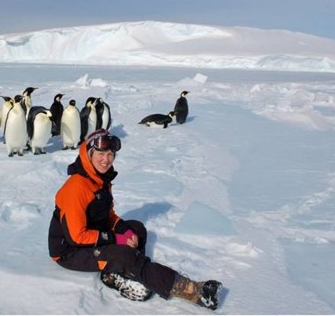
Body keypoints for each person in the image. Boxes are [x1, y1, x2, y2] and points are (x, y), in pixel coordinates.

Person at [48, 128, 222, 309]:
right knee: (125, 254)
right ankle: (196, 292)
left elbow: (107, 216)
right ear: (89, 153)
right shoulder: (76, 186)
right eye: (100, 153)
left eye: (110, 154)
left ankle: (126, 273)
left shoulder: (100, 179)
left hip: (91, 235)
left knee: (137, 229)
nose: (106, 160)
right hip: (70, 252)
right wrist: (117, 239)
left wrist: (124, 229)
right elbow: (76, 236)